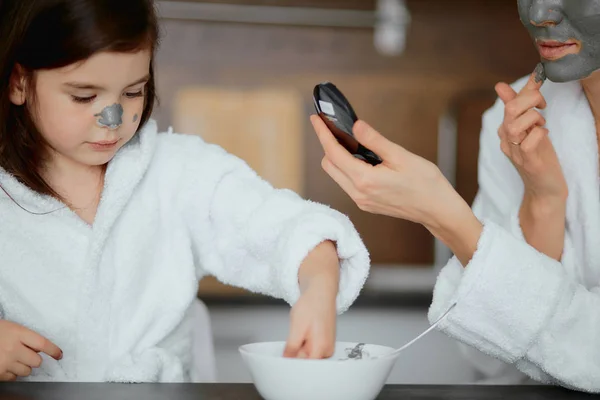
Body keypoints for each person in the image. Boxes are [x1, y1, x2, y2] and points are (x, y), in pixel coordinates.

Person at [0, 0, 371, 382]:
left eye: (132, 92)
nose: (112, 119)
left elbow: (288, 226)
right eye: (84, 96)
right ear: (19, 84)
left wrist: (318, 290)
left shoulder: (179, 173)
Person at [311, 0, 600, 393]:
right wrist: (543, 199)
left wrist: (447, 218)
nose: (539, 14)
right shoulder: (512, 117)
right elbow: (494, 355)